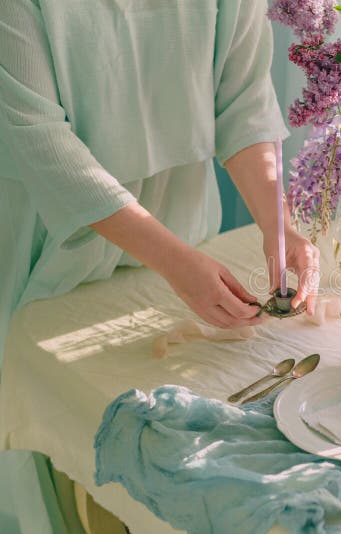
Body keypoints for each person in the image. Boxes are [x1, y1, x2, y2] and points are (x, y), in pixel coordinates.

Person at [0, 0, 318, 530]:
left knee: (166, 427)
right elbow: (43, 142)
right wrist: (173, 259)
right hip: (57, 236)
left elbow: (242, 103)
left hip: (183, 230)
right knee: (55, 427)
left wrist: (276, 223)